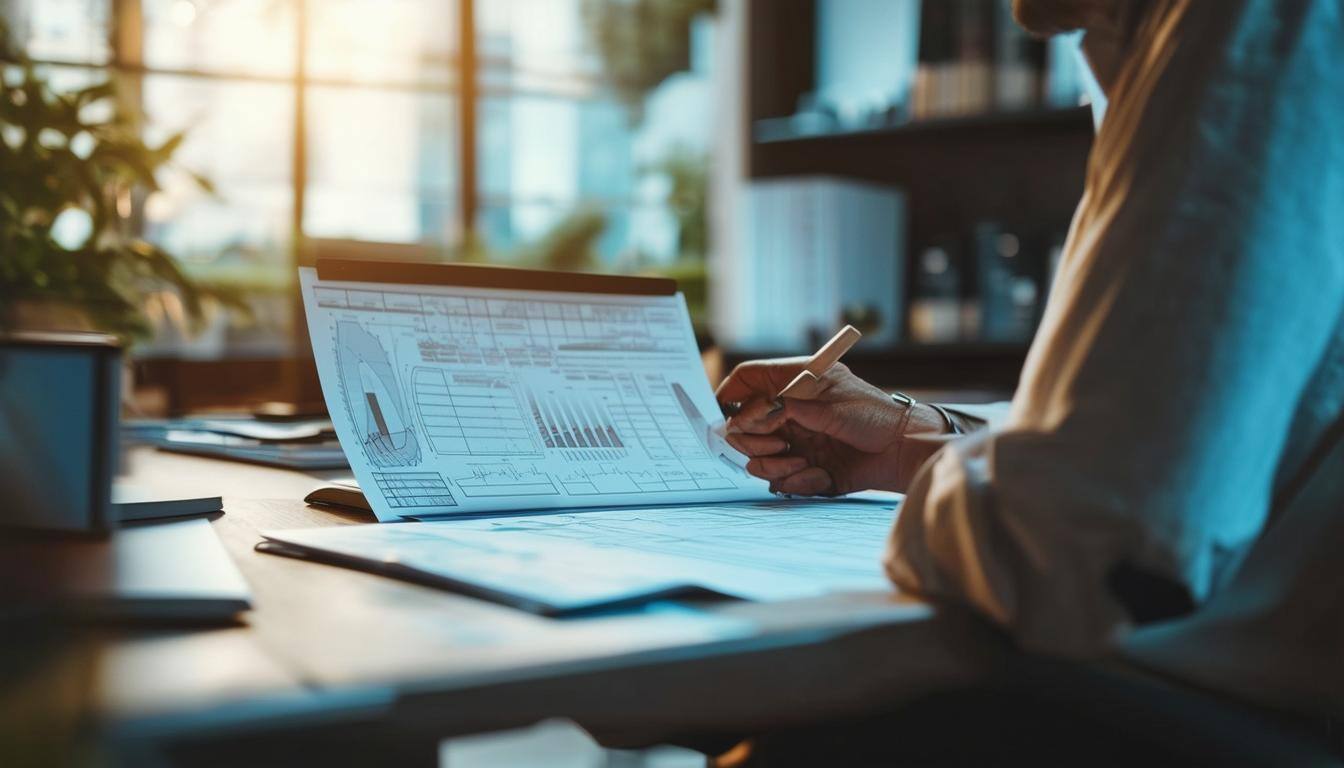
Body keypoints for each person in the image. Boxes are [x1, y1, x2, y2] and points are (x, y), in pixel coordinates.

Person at [717, 0, 1342, 759]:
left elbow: (1076, 550)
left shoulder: (1251, 25)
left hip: (1227, 715)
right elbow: (1144, 455)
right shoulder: (1157, 48)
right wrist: (910, 441)